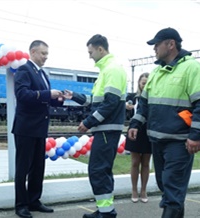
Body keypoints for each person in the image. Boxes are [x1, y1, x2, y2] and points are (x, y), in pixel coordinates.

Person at [127, 27, 200, 218]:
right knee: (166, 186)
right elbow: (144, 103)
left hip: (180, 141)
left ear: (170, 44)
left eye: (157, 45)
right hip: (157, 141)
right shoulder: (157, 72)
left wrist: (196, 136)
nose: (154, 49)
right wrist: (135, 124)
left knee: (172, 190)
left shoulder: (192, 68)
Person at [63, 34, 127, 218]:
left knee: (98, 170)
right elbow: (96, 101)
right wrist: (74, 96)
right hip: (105, 130)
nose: (89, 56)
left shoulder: (112, 69)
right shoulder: (107, 70)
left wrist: (88, 122)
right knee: (101, 169)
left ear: (101, 49)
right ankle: (105, 210)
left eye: (90, 52)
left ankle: (106, 213)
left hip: (107, 129)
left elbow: (110, 103)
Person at [11, 40, 63, 218]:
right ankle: (21, 205)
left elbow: (44, 98)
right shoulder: (24, 70)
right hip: (26, 128)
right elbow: (23, 95)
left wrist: (59, 98)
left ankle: (34, 200)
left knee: (38, 167)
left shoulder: (42, 74)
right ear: (33, 52)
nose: (46, 57)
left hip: (39, 128)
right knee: (23, 168)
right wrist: (48, 94)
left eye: (47, 54)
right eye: (43, 54)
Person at [125, 72, 151, 203]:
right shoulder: (132, 97)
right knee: (135, 162)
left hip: (148, 132)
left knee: (146, 163)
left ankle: (144, 190)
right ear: (139, 84)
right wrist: (126, 107)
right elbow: (122, 106)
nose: (145, 86)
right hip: (134, 131)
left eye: (147, 83)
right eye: (143, 83)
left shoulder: (153, 97)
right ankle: (134, 189)